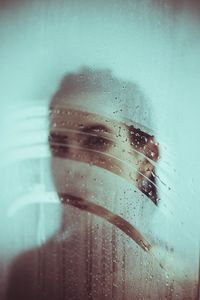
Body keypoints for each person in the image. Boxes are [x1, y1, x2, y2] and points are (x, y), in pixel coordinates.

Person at [7, 67, 183, 300]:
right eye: (59, 147)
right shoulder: (28, 273)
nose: (71, 167)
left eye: (97, 142)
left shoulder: (181, 283)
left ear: (146, 157)